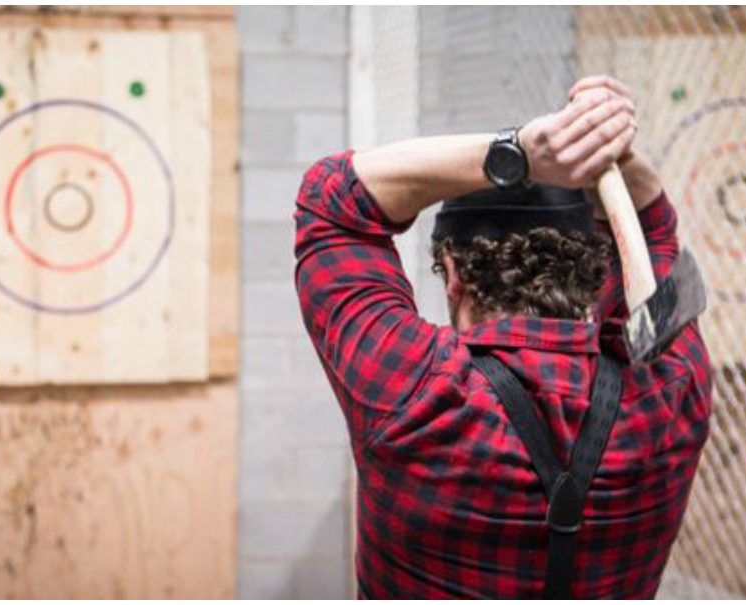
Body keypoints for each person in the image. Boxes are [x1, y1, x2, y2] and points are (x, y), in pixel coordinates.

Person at [292, 75, 713, 599]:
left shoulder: (412, 391)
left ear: (453, 273)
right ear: (595, 271)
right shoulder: (671, 395)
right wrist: (608, 147)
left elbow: (329, 201)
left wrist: (519, 153)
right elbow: (654, 238)